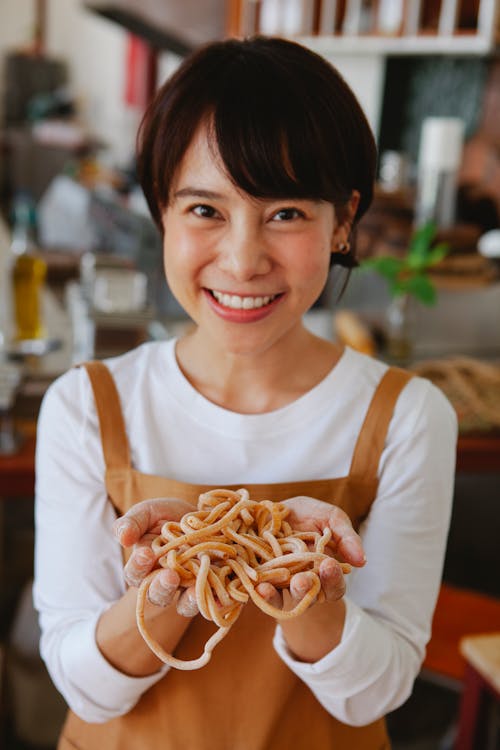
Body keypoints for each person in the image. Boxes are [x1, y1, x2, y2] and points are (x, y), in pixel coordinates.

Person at [34, 36, 457, 750]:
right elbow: (83, 687)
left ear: (343, 220)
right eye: (205, 210)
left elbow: (377, 696)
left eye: (286, 212)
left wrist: (308, 592)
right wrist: (170, 584)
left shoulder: (409, 417)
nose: (242, 259)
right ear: (161, 212)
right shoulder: (87, 404)